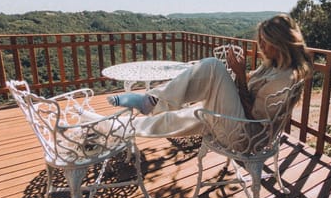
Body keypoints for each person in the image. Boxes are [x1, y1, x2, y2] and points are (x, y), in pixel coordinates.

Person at [107, 13, 312, 138]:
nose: (262, 46)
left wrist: (240, 77)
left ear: (282, 43)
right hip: (237, 123)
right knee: (178, 117)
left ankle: (149, 101)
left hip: (245, 136)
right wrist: (238, 78)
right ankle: (117, 128)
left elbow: (255, 120)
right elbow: (250, 93)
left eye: (267, 41)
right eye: (261, 40)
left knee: (212, 66)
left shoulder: (283, 79)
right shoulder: (273, 67)